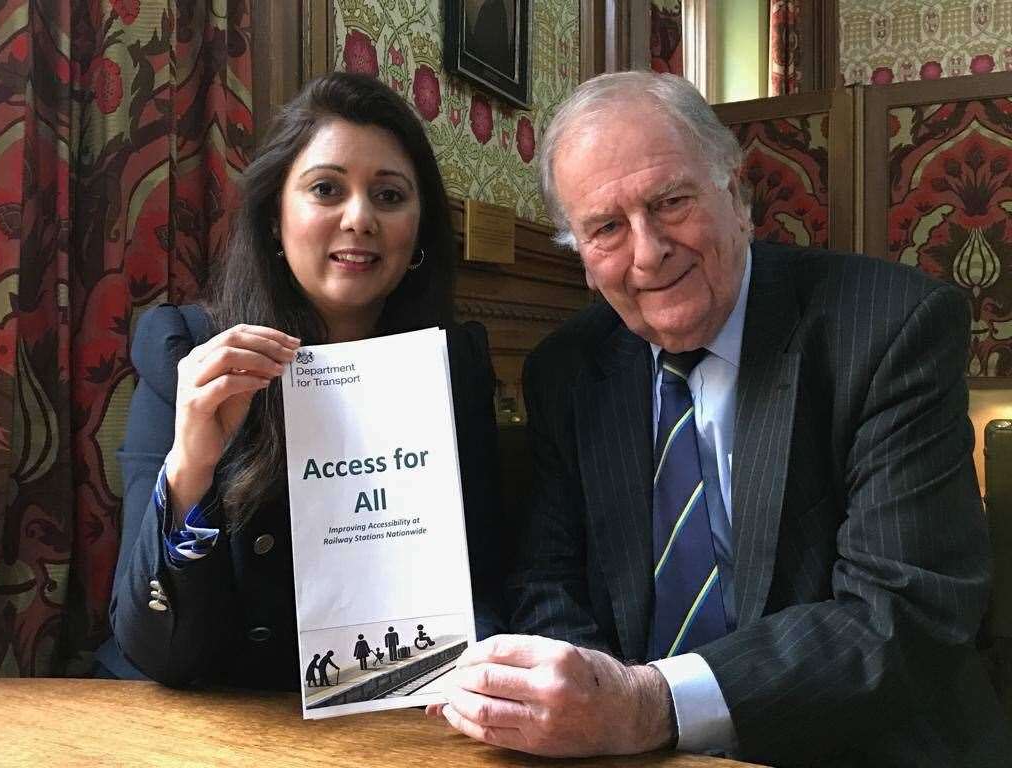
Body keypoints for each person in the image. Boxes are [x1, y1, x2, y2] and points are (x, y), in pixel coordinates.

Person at [429, 71, 1012, 766]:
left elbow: (901, 615)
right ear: (582, 259)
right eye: (607, 228)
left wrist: (648, 705)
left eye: (670, 202)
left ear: (736, 194)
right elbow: (547, 580)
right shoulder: (566, 369)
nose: (647, 252)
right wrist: (580, 704)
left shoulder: (889, 329)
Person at [99, 72, 505, 689]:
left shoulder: (455, 364)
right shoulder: (187, 351)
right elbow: (157, 650)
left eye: (390, 196)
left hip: (387, 704)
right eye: (326, 189)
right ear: (273, 219)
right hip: (205, 710)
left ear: (419, 229)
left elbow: (483, 580)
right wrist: (189, 474)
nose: (360, 218)